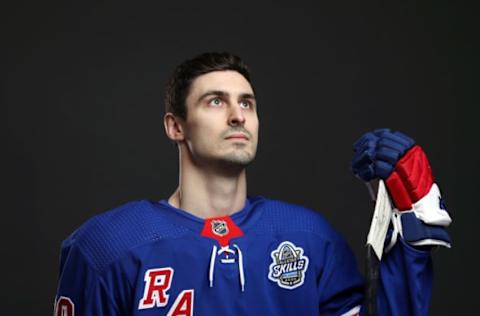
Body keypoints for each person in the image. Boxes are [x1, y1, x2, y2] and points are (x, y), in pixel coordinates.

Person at [53, 52, 451, 316]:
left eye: (247, 103)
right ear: (176, 126)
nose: (237, 116)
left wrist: (409, 236)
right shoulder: (108, 246)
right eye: (215, 101)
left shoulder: (311, 238)